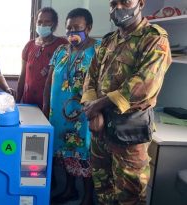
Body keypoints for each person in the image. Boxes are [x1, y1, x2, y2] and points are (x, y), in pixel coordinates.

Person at [81, 0, 171, 204]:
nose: (118, 8)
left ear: (140, 3)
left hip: (129, 134)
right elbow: (91, 77)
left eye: (125, 1)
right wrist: (94, 111)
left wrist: (97, 106)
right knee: (103, 187)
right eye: (113, 3)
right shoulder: (107, 41)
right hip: (100, 130)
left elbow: (144, 85)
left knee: (130, 194)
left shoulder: (154, 39)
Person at [43, 8, 99, 205]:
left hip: (84, 115)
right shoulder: (60, 50)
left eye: (77, 28)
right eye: (68, 28)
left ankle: (86, 197)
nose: (72, 32)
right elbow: (49, 81)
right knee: (63, 153)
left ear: (89, 28)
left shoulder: (98, 49)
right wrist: (45, 108)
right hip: (58, 113)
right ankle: (69, 190)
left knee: (84, 154)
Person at [17, 7, 68, 109]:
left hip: (52, 104)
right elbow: (22, 75)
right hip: (29, 102)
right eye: (39, 21)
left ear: (54, 24)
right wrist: (17, 102)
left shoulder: (63, 45)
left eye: (47, 22)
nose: (42, 25)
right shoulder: (29, 46)